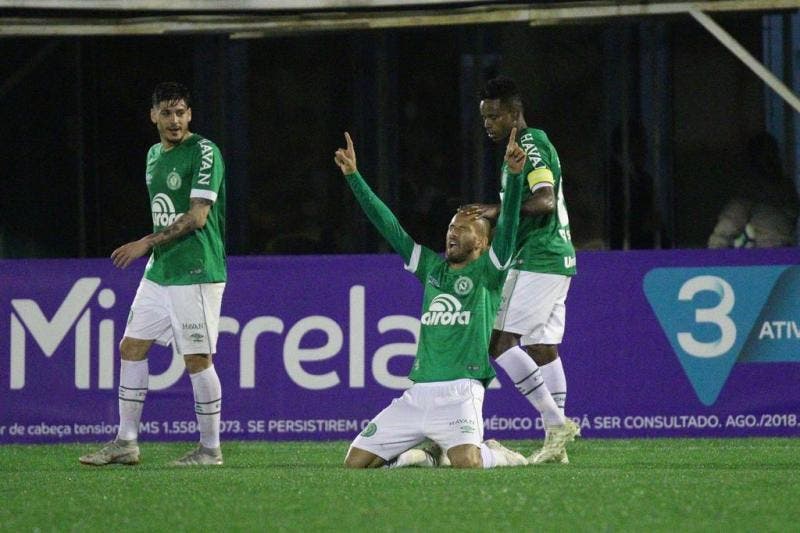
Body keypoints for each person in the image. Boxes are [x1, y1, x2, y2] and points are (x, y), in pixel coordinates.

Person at [336, 129, 554, 469]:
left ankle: (498, 454)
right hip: (418, 392)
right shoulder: (432, 268)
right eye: (451, 227)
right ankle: (429, 453)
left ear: (482, 242)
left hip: (461, 392)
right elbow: (389, 226)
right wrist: (354, 177)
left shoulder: (489, 271)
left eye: (463, 228)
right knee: (355, 463)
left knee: (467, 462)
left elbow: (510, 224)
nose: (453, 232)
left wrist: (514, 178)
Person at [79, 82, 227, 467]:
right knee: (131, 347)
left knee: (197, 358)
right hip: (161, 269)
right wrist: (154, 250)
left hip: (195, 268)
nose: (174, 120)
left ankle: (210, 449)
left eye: (180, 113)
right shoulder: (153, 155)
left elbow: (198, 216)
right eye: (166, 113)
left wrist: (146, 241)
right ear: (153, 116)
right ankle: (126, 442)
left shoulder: (205, 151)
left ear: (189, 115)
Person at [466, 75, 579, 464]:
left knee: (498, 341)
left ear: (515, 113)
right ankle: (556, 444)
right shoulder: (525, 146)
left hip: (539, 256)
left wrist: (495, 211)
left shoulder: (529, 144)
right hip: (556, 258)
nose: (488, 124)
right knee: (541, 346)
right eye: (484, 117)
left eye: (494, 116)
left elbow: (545, 200)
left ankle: (556, 424)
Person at [708, 132, 798, 249]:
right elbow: (729, 225)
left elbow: (728, 226)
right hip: (778, 253)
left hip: (770, 253)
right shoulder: (782, 187)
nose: (767, 161)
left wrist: (715, 252)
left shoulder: (780, 187)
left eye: (770, 156)